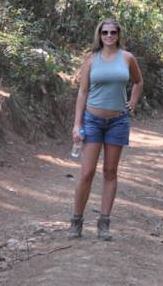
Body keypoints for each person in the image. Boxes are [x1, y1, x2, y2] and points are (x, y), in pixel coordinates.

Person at [67, 18, 143, 241]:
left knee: (110, 172)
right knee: (87, 172)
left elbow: (138, 82)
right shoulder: (91, 59)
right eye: (104, 32)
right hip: (92, 120)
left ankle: (104, 223)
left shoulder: (127, 58)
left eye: (112, 32)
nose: (108, 36)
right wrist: (77, 124)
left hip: (118, 122)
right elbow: (82, 91)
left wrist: (133, 101)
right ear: (99, 35)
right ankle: (76, 221)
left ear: (118, 34)